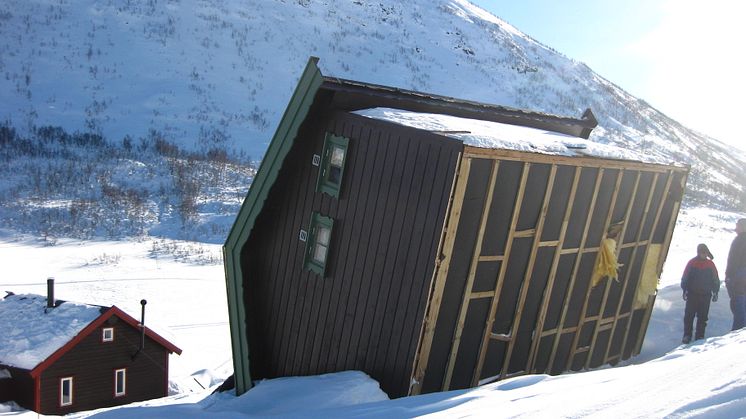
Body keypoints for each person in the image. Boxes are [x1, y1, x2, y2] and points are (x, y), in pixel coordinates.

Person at [680, 243, 719, 343]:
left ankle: (700, 336)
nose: (704, 255)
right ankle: (687, 335)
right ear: (698, 253)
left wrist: (716, 292)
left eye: (705, 253)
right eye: (702, 253)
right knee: (689, 316)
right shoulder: (691, 263)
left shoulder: (711, 264)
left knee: (702, 317)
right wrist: (684, 290)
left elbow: (715, 279)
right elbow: (685, 277)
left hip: (706, 295)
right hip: (692, 294)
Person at [725, 218, 746, 330]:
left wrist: (730, 277)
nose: (735, 227)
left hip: (739, 277)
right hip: (740, 276)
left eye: (737, 225)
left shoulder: (740, 240)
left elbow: (734, 260)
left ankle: (738, 333)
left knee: (739, 307)